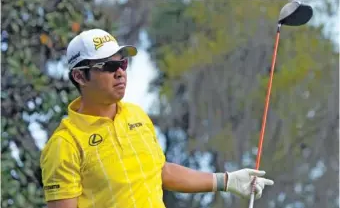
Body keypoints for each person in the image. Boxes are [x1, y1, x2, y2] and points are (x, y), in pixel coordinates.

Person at [40, 28, 274, 208]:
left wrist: (226, 181)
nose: (120, 71)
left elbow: (160, 172)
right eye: (109, 65)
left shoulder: (136, 115)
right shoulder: (64, 145)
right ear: (80, 76)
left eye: (122, 62)